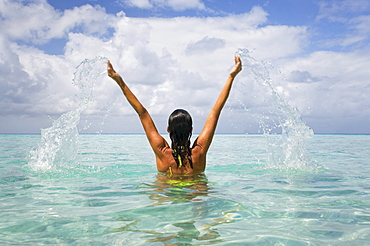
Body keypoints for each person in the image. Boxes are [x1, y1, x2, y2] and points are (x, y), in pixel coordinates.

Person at [107, 55, 242, 175]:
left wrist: (119, 81)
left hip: (165, 195)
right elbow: (215, 112)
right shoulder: (199, 152)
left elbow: (142, 113)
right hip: (196, 195)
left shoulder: (162, 152)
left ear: (168, 130)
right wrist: (231, 76)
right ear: (191, 130)